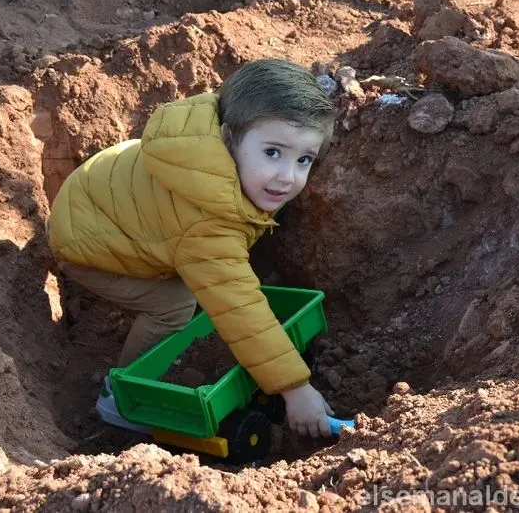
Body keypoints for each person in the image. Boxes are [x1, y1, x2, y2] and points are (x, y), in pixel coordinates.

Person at [47, 58, 337, 438]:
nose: (288, 176)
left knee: (204, 279)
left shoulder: (213, 131)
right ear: (229, 138)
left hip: (106, 194)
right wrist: (295, 389)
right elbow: (239, 308)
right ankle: (120, 397)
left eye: (304, 160)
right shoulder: (207, 227)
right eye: (272, 152)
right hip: (86, 239)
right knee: (175, 304)